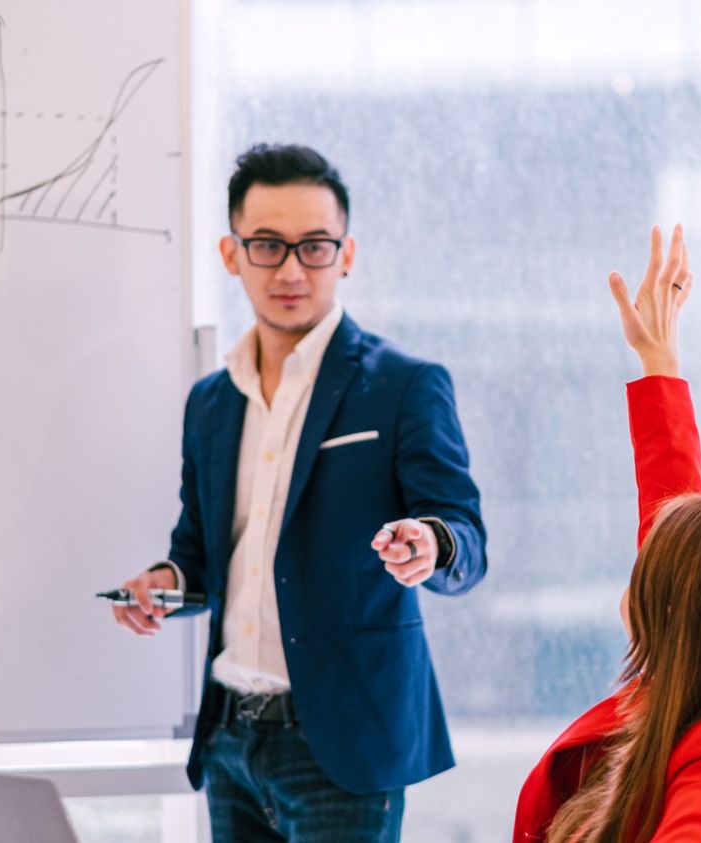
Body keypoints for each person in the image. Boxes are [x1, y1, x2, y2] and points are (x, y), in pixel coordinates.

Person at [110, 143, 487, 842]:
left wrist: (430, 544)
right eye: (267, 246)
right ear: (232, 254)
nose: (290, 269)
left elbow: (466, 535)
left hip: (341, 743)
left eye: (314, 246)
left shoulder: (405, 385)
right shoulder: (212, 402)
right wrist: (164, 581)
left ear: (347, 255)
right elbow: (200, 548)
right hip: (229, 735)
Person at [513, 225, 701, 842]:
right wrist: (660, 363)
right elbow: (673, 503)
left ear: (680, 605)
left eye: (652, 568)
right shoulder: (691, 695)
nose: (638, 567)